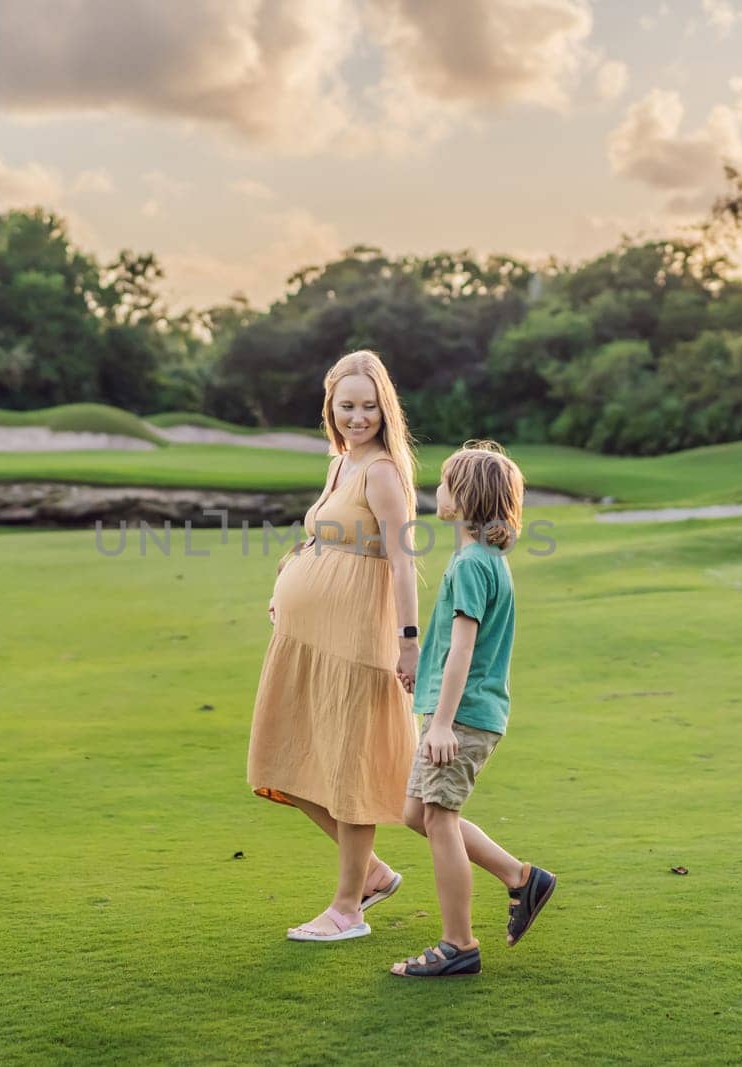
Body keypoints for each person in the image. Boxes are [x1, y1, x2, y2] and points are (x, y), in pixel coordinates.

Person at [247, 349, 422, 942]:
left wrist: (409, 642)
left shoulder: (382, 473)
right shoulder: (339, 463)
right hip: (306, 638)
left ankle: (348, 908)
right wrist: (286, 582)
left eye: (368, 407)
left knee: (348, 771)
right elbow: (322, 539)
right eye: (346, 406)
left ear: (384, 409)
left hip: (354, 642)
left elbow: (402, 563)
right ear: (330, 407)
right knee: (283, 761)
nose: (357, 417)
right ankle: (371, 874)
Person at [390, 441, 556, 978]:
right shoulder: (484, 560)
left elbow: (464, 649)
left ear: (463, 499)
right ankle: (520, 877)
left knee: (439, 818)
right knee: (418, 813)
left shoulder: (470, 564)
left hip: (460, 718)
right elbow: (452, 647)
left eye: (443, 483)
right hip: (459, 711)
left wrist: (440, 724)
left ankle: (458, 944)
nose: (435, 492)